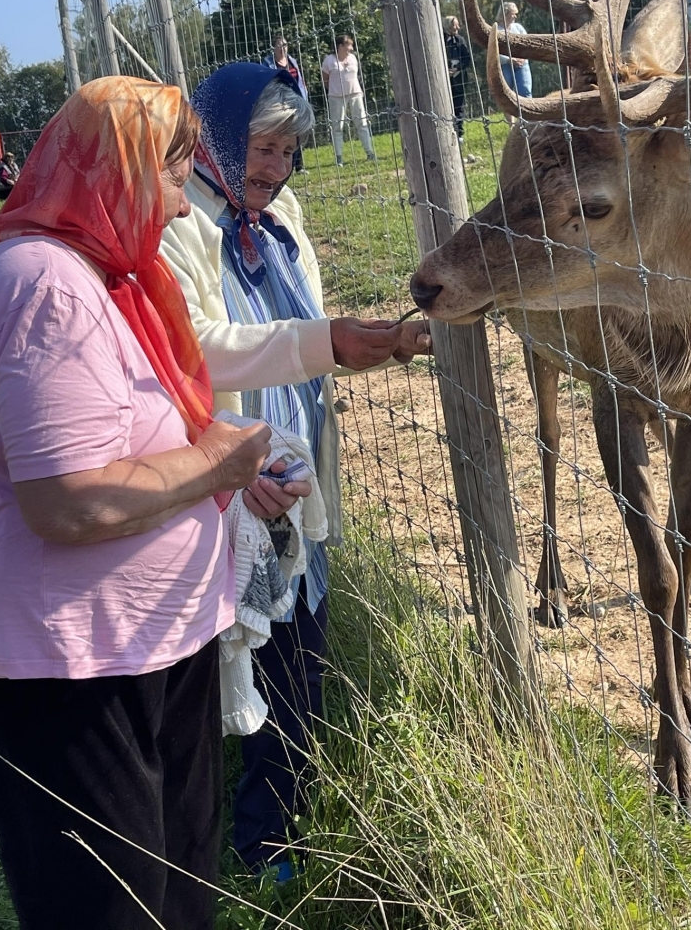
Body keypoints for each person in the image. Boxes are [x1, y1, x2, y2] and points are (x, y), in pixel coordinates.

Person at [0, 76, 298, 930]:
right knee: (110, 913)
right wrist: (213, 467)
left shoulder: (110, 275)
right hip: (73, 675)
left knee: (179, 898)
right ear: (113, 168)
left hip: (156, 646)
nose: (187, 210)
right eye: (173, 172)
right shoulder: (44, 282)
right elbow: (69, 501)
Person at [160, 62, 431, 879]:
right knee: (231, 661)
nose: (275, 168)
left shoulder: (286, 216)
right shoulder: (177, 224)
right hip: (222, 483)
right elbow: (195, 352)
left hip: (297, 477)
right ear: (211, 137)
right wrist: (326, 342)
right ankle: (202, 846)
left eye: (288, 150)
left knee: (301, 659)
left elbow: (308, 332)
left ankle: (272, 833)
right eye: (262, 147)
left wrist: (367, 347)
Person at [321, 34, 375, 166]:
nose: (351, 48)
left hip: (355, 93)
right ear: (340, 46)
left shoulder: (353, 58)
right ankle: (339, 157)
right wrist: (335, 90)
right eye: (348, 45)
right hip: (336, 97)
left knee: (361, 122)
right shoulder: (329, 61)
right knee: (337, 126)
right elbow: (325, 79)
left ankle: (370, 153)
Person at [264, 33, 308, 172]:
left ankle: (299, 165)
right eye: (279, 45)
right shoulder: (268, 63)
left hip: (296, 100)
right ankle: (284, 165)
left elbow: (300, 79)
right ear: (273, 48)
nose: (282, 48)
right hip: (279, 101)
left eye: (285, 45)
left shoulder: (292, 61)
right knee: (283, 133)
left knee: (298, 131)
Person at [443, 16, 471, 142]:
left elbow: (467, 58)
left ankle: (459, 133)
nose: (458, 27)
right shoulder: (440, 39)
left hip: (458, 79)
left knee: (459, 106)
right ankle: (446, 133)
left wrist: (457, 68)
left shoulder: (460, 40)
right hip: (443, 80)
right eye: (455, 25)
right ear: (448, 25)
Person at [496, 1, 532, 98]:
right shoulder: (496, 31)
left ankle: (528, 113)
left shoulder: (518, 28)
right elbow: (495, 52)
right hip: (505, 65)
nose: (515, 17)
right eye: (513, 14)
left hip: (521, 63)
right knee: (507, 94)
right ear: (505, 14)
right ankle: (511, 113)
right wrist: (509, 60)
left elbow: (528, 43)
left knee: (525, 91)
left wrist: (522, 58)